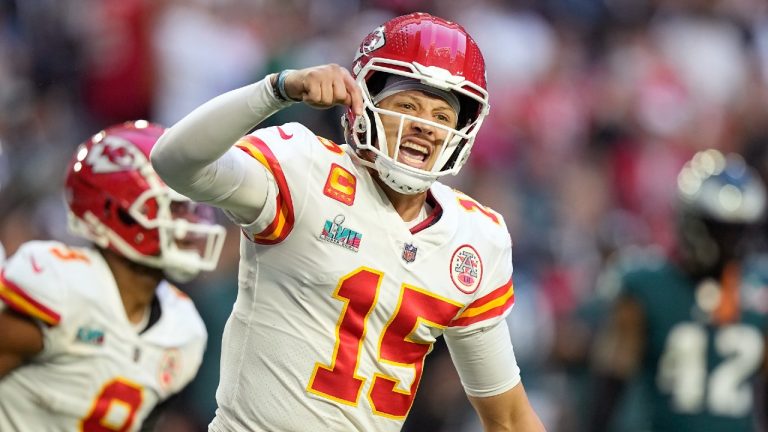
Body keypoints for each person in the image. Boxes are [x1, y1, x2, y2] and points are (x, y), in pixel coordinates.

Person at [150, 11, 544, 432]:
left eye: (441, 116)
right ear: (365, 103)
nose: (425, 127)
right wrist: (276, 90)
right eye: (408, 105)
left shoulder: (474, 238)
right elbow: (174, 161)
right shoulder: (303, 168)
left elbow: (508, 418)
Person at [0, 120, 227, 431]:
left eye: (190, 208)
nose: (189, 222)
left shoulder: (184, 330)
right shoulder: (61, 287)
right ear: (115, 211)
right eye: (173, 208)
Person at [588, 149, 768, 432]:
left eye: (740, 230)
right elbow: (609, 391)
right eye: (723, 230)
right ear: (693, 222)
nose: (735, 242)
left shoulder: (758, 292)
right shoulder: (647, 287)